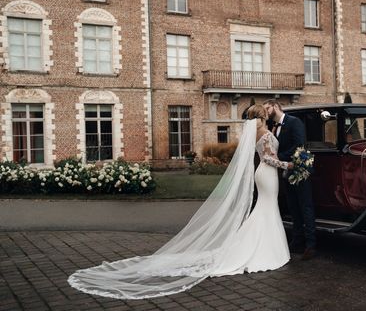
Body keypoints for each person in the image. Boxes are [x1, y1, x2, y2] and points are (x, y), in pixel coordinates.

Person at [67, 105, 290, 299]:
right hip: (269, 173)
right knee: (267, 209)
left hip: (261, 174)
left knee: (264, 209)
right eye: (264, 116)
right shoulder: (266, 135)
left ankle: (252, 244)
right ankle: (264, 249)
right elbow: (270, 158)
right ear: (262, 117)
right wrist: (288, 165)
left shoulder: (251, 134)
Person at [263, 99, 316, 260]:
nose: (266, 112)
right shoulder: (273, 127)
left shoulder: (294, 122)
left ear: (275, 106)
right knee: (293, 206)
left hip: (299, 169)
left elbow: (299, 145)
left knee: (305, 206)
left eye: (267, 108)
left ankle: (311, 245)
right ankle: (297, 240)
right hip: (286, 170)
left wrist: (279, 157)